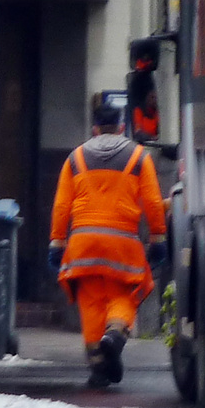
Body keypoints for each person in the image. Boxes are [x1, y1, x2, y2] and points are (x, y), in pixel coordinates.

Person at [48, 103, 167, 388]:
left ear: (94, 128)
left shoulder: (75, 158)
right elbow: (152, 201)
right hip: (122, 246)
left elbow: (62, 203)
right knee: (123, 296)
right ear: (122, 127)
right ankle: (114, 335)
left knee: (91, 304)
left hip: (82, 246)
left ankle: (98, 369)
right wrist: (158, 237)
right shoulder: (139, 157)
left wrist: (57, 241)